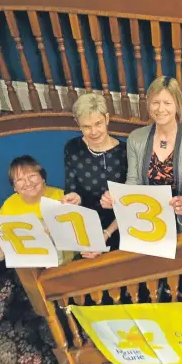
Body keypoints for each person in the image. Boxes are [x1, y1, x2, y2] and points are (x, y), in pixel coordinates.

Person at [100, 76, 182, 301]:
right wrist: (119, 198)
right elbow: (133, 181)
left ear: (178, 105)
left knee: (177, 283)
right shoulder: (137, 139)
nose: (161, 109)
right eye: (155, 102)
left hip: (179, 220)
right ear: (148, 104)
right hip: (148, 216)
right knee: (147, 279)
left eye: (167, 103)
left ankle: (179, 290)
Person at [64, 93, 128, 258]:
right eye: (86, 126)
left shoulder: (124, 152)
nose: (93, 132)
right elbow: (71, 188)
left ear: (107, 118)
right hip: (86, 225)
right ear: (78, 125)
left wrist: (106, 234)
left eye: (98, 123)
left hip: (120, 225)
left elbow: (129, 204)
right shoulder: (72, 148)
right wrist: (73, 197)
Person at [0, 155, 80, 264]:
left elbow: (78, 242)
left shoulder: (61, 197)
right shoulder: (8, 207)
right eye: (20, 179)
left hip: (68, 262)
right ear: (15, 187)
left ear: (43, 178)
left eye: (32, 175)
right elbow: (1, 255)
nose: (28, 183)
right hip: (31, 266)